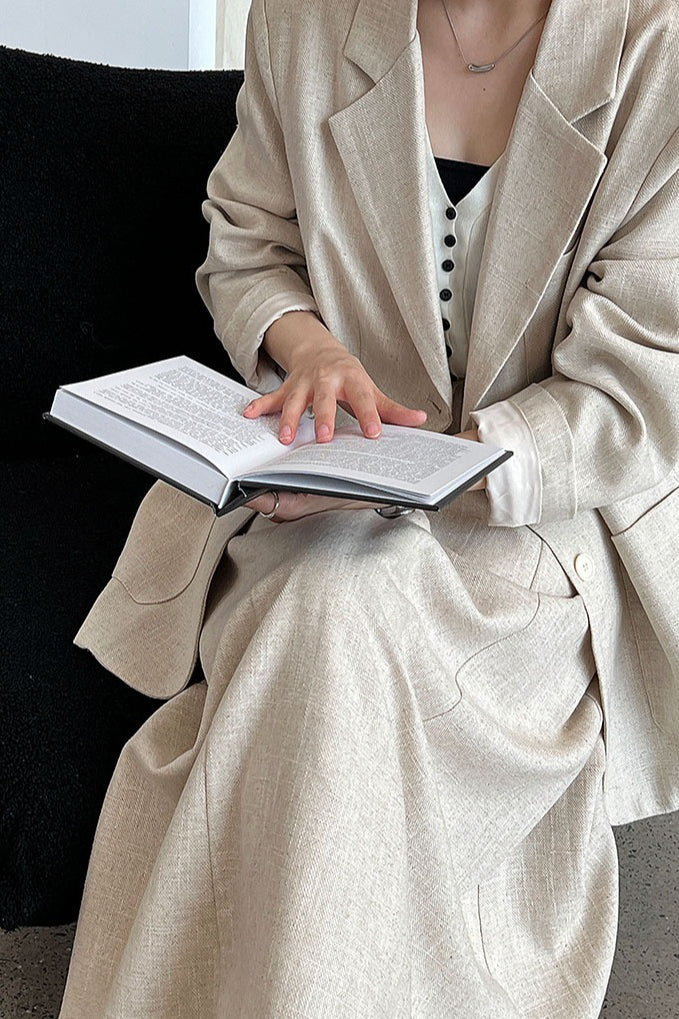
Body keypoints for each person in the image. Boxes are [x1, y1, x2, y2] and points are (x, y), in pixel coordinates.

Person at [58, 0, 679, 1015]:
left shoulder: (656, 49)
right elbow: (247, 244)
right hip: (317, 495)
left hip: (544, 514)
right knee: (322, 604)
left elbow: (643, 384)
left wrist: (430, 467)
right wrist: (312, 350)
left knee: (334, 621)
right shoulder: (302, 19)